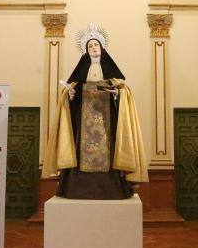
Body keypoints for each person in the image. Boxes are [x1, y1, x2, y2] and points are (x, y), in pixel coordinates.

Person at [42, 23, 147, 199]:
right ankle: (76, 189)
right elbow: (69, 98)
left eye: (95, 45)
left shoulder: (113, 76)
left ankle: (112, 189)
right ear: (86, 51)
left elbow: (124, 92)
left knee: (110, 148)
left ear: (102, 48)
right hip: (83, 124)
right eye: (90, 46)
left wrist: (117, 94)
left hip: (107, 123)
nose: (93, 48)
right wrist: (71, 95)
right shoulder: (80, 76)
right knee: (80, 148)